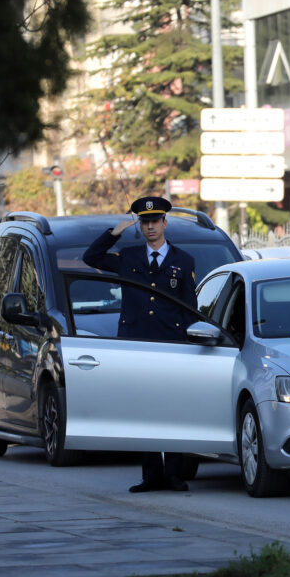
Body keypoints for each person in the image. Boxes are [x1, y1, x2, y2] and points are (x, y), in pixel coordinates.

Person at [82, 196, 197, 493]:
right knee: (144, 410)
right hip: (136, 344)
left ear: (164, 223)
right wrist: (114, 232)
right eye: (144, 222)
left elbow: (189, 307)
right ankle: (151, 475)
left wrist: (191, 342)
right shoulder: (129, 257)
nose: (150, 227)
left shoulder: (183, 261)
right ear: (140, 226)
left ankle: (173, 473)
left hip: (171, 344)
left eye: (155, 221)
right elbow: (91, 258)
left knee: (171, 410)